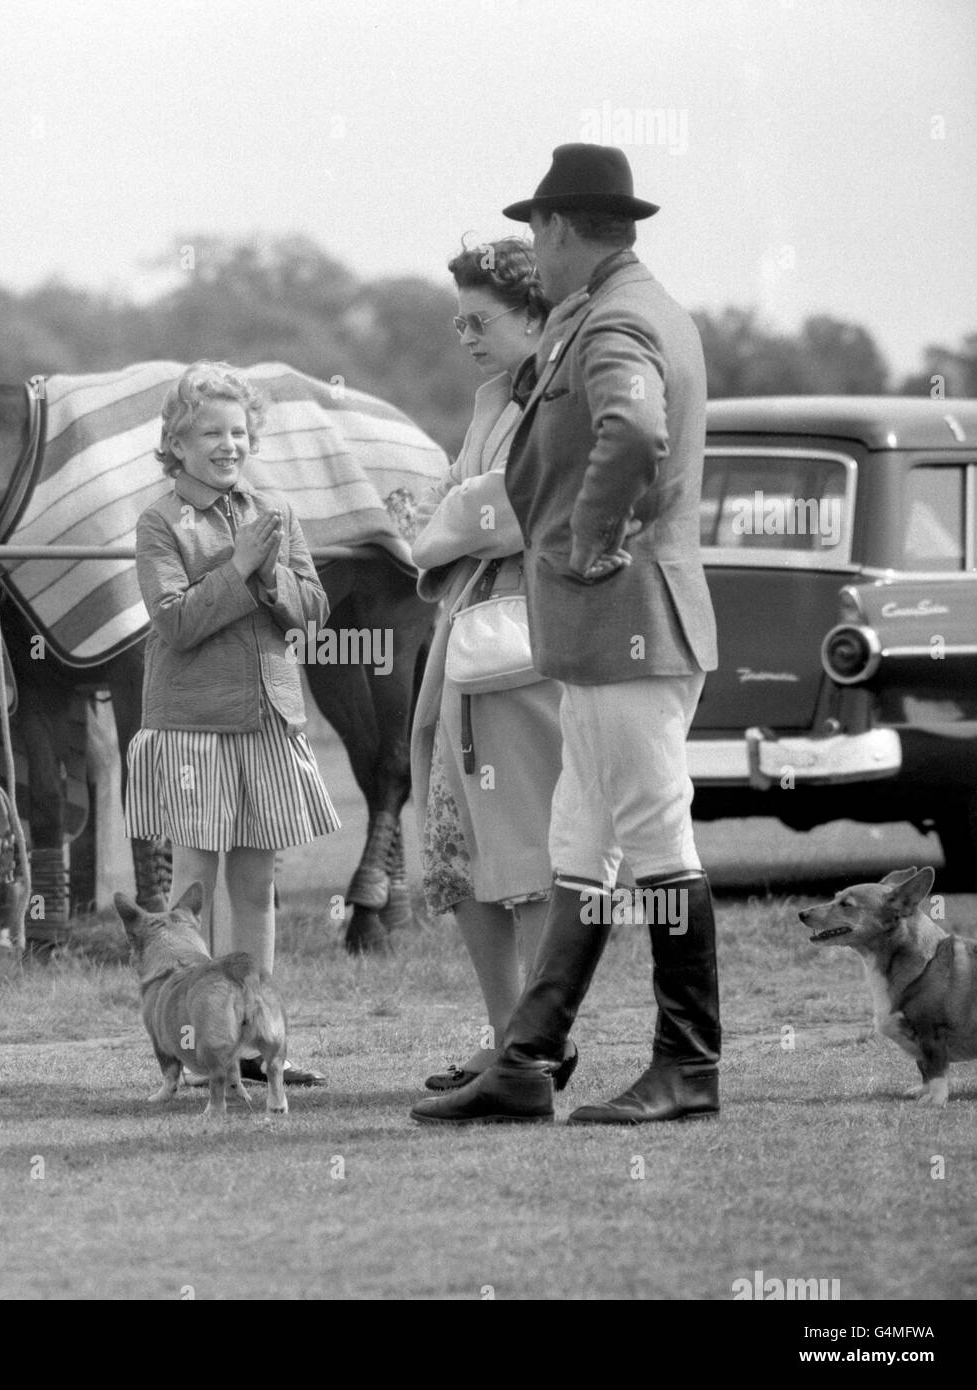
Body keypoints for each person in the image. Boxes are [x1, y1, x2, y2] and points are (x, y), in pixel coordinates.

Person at [412, 143, 721, 1126]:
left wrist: (590, 535)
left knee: (655, 837)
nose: (529, 257)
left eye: (531, 235)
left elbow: (632, 432)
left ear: (554, 227)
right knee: (579, 840)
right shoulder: (616, 308)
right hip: (607, 628)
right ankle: (526, 1058)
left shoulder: (617, 320)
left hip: (628, 617)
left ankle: (687, 1066)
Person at [124, 360, 340, 1087]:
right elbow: (176, 622)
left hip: (267, 720)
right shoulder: (158, 522)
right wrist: (242, 568)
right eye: (209, 431)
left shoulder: (275, 511)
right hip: (190, 727)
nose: (228, 444)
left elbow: (312, 608)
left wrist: (273, 576)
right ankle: (201, 1042)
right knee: (194, 884)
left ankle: (258, 1042)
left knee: (256, 886)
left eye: (239, 430)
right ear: (175, 444)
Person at [410, 237, 576, 1093]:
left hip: (529, 640)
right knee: (457, 843)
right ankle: (508, 1034)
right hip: (468, 638)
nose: (464, 334)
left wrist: (443, 519)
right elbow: (467, 507)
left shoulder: (563, 391)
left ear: (534, 315)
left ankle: (540, 1040)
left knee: (538, 843)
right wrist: (453, 515)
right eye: (458, 320)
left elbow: (508, 507)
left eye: (480, 320)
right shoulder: (488, 401)